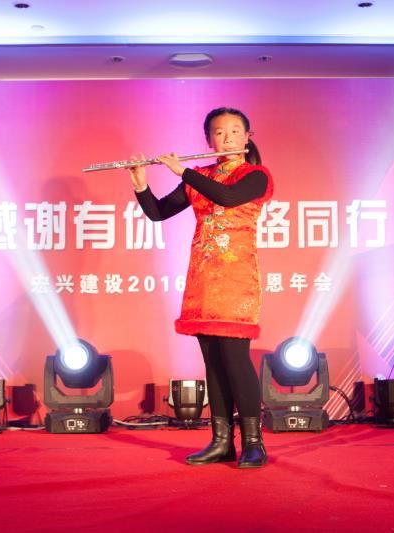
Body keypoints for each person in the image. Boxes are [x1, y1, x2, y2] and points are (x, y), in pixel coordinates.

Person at [128, 107, 273, 468]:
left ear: (247, 137)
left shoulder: (256, 176)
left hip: (237, 280)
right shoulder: (200, 176)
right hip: (203, 279)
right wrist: (140, 183)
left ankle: (253, 443)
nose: (227, 138)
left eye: (235, 131)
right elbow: (158, 212)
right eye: (219, 133)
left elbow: (227, 197)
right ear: (209, 140)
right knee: (213, 363)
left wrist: (183, 171)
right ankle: (221, 442)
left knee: (236, 361)